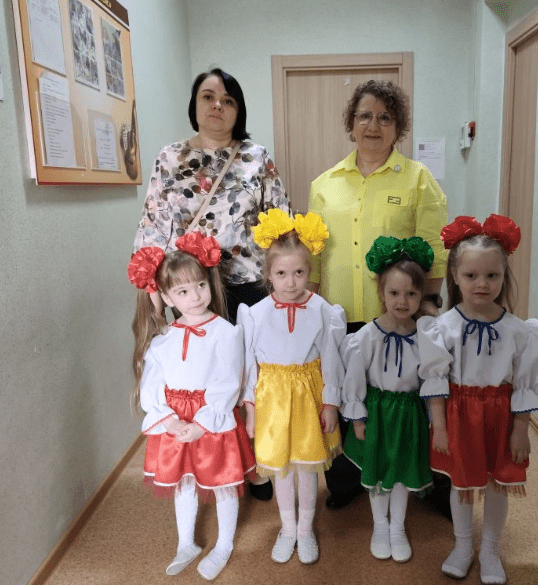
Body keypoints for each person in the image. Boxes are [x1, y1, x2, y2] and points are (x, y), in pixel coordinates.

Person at [133, 67, 290, 500]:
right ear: (195, 105)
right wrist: (152, 288)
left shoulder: (256, 157)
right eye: (208, 96)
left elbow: (280, 221)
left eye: (228, 100)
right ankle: (208, 464)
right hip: (189, 288)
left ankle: (252, 464)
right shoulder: (170, 156)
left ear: (238, 110)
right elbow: (153, 223)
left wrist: (284, 282)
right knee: (200, 378)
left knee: (247, 376)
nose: (217, 106)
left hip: (246, 285)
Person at [308, 79, 449, 510]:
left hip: (398, 318)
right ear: (351, 123)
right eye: (365, 115)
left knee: (404, 402)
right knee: (347, 397)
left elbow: (434, 250)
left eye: (385, 117)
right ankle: (348, 480)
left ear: (398, 127)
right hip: (341, 315)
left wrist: (427, 308)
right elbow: (315, 255)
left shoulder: (419, 180)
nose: (374, 125)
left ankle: (419, 480)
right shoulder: (325, 184)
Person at [417, 215, 538, 584]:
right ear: (455, 276)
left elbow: (523, 385)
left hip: (500, 415)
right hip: (459, 415)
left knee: (496, 483)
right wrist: (439, 427)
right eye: (471, 275)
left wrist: (520, 430)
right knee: (461, 485)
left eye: (492, 275)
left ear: (504, 276)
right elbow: (436, 382)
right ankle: (462, 546)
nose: (482, 284)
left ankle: (490, 549)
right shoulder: (442, 328)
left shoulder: (520, 332)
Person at [128, 232, 256, 580]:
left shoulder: (225, 332)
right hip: (175, 420)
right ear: (167, 297)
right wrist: (168, 420)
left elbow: (229, 381)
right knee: (183, 481)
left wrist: (202, 422)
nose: (195, 296)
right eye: (183, 291)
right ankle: (186, 542)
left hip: (210, 419)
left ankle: (224, 543)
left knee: (223, 482)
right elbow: (152, 383)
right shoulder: (163, 338)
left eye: (200, 285)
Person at [238, 209, 346, 565]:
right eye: (281, 274)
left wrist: (330, 404)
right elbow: (249, 366)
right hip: (272, 399)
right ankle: (287, 528)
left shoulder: (323, 310)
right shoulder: (255, 314)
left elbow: (331, 361)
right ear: (268, 274)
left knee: (306, 466)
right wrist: (250, 410)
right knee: (282, 467)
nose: (290, 282)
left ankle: (305, 529)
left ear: (309, 272)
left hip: (309, 397)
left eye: (299, 272)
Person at [340, 236, 435, 563]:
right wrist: (358, 419)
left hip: (408, 414)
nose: (402, 301)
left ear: (421, 295)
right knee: (378, 472)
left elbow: (430, 379)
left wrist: (432, 419)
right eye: (394, 293)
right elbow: (355, 378)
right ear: (381, 293)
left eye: (411, 294)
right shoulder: (366, 336)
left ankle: (398, 527)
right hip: (378, 413)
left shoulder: (425, 336)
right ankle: (380, 525)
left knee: (402, 472)